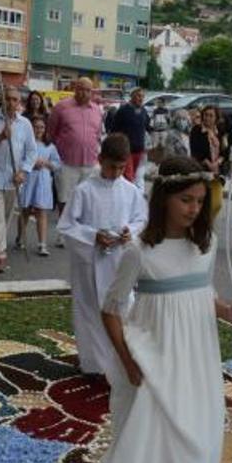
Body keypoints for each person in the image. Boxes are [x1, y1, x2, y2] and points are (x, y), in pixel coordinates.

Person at [89, 156, 232, 463]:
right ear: (163, 198)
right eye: (186, 200)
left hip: (197, 360)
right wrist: (128, 362)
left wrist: (229, 312)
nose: (195, 208)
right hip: (154, 358)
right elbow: (111, 308)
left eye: (199, 200)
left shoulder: (204, 247)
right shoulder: (140, 251)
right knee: (153, 447)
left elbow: (198, 294)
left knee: (198, 442)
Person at [57, 134, 148, 381]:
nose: (116, 172)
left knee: (120, 308)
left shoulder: (130, 191)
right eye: (111, 167)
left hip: (119, 261)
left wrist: (131, 230)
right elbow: (66, 226)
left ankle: (123, 361)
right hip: (90, 263)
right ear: (100, 160)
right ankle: (94, 364)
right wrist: (92, 236)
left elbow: (141, 219)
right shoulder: (84, 190)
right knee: (89, 311)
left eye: (121, 167)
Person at [0, 86, 36, 272]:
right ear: (2, 99)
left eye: (15, 100)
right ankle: (0, 255)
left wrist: (24, 171)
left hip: (13, 178)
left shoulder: (25, 124)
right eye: (8, 99)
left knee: (6, 216)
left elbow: (31, 151)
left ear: (19, 102)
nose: (11, 103)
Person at [46, 77, 105, 247]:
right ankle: (63, 233)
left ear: (92, 92)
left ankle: (81, 232)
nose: (84, 93)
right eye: (81, 89)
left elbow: (98, 135)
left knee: (86, 200)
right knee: (65, 200)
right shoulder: (61, 107)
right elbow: (51, 133)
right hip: (66, 162)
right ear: (74, 89)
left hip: (90, 162)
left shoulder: (97, 110)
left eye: (88, 90)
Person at [16, 117, 61, 256]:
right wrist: (31, 164)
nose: (39, 130)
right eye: (36, 127)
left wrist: (47, 164)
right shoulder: (26, 144)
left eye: (42, 127)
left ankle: (42, 244)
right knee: (25, 210)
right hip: (29, 179)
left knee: (41, 211)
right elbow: (19, 159)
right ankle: (20, 237)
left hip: (43, 181)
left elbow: (58, 164)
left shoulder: (50, 146)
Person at [107, 87, 150, 182]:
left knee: (136, 177)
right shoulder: (123, 110)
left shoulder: (143, 111)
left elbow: (147, 127)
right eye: (139, 96)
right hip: (126, 151)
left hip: (140, 151)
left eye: (143, 96)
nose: (141, 98)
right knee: (128, 178)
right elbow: (113, 129)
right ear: (132, 96)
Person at [190, 106, 225, 219]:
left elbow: (225, 151)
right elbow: (195, 150)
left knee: (217, 203)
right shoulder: (197, 130)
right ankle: (202, 226)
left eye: (211, 115)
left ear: (216, 118)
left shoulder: (219, 131)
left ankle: (208, 222)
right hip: (202, 170)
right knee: (203, 202)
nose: (207, 118)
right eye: (206, 115)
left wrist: (218, 162)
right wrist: (207, 163)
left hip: (217, 172)